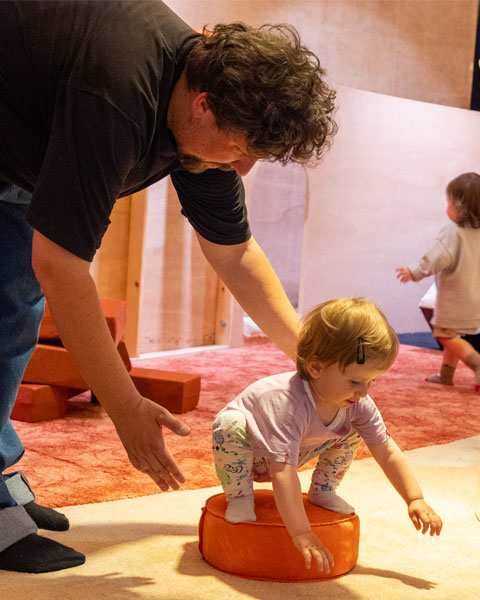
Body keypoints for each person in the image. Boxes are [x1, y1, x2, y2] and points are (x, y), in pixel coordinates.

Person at [0, 1, 337, 573]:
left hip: (24, 149)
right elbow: (62, 265)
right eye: (242, 148)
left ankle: (1, 469)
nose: (245, 167)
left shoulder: (202, 116)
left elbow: (234, 254)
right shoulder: (118, 93)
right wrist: (125, 404)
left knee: (15, 314)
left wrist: (314, 356)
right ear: (204, 106)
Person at [212, 298, 442, 574]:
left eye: (371, 381)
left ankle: (324, 490)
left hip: (291, 452)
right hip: (251, 451)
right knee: (228, 424)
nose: (364, 391)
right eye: (355, 381)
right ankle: (239, 496)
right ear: (316, 367)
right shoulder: (288, 404)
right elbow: (282, 473)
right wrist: (300, 533)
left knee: (354, 430)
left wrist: (414, 498)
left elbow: (386, 450)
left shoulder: (357, 404)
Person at [395, 172, 480, 393]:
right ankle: (445, 376)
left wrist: (414, 272)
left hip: (457, 300)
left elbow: (436, 257)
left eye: (449, 201)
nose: (447, 206)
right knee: (454, 335)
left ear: (459, 206)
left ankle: (476, 363)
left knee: (444, 335)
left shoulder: (452, 232)